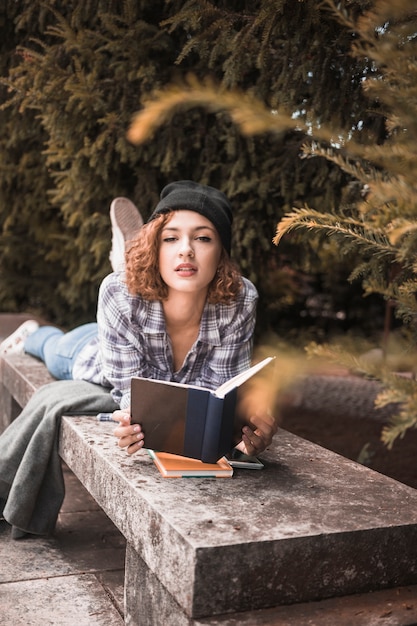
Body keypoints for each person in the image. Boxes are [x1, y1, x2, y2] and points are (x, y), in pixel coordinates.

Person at [0, 181, 277, 458]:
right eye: (170, 238)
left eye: (203, 238)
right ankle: (32, 334)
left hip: (130, 327)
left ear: (221, 254)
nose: (186, 250)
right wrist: (138, 422)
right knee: (53, 347)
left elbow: (219, 391)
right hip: (91, 352)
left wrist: (245, 431)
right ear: (156, 249)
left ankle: (128, 258)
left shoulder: (240, 299)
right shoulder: (116, 291)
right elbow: (132, 391)